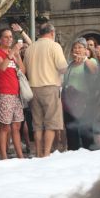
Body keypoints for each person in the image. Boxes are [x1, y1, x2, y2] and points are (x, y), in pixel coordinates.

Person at [22, 23, 68, 157]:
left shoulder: (30, 48)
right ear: (52, 33)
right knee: (51, 123)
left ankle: (38, 153)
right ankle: (46, 154)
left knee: (37, 124)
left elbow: (25, 69)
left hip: (33, 89)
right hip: (50, 87)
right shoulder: (55, 46)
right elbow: (62, 67)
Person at [0, 27, 26, 160]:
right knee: (5, 126)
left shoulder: (13, 53)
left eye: (11, 37)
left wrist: (17, 56)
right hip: (4, 92)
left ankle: (20, 156)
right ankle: (4, 157)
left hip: (16, 93)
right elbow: (2, 67)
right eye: (6, 37)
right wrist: (12, 52)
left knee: (16, 125)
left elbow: (23, 71)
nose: (9, 39)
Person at [62, 37, 99, 151]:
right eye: (75, 47)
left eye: (80, 47)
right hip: (70, 103)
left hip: (84, 102)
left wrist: (84, 59)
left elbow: (95, 71)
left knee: (86, 133)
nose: (77, 49)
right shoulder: (70, 64)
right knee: (71, 133)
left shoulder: (90, 61)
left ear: (85, 49)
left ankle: (90, 158)